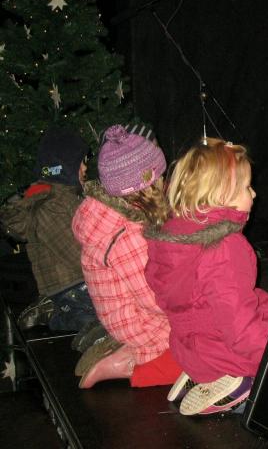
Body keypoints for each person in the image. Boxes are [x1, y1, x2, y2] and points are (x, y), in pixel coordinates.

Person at [145, 138, 268, 416]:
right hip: (222, 351)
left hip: (188, 348)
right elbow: (238, 326)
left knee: (265, 303)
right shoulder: (226, 247)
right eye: (246, 187)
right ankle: (239, 384)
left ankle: (203, 373)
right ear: (222, 196)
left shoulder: (171, 237)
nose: (254, 194)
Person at [71, 125, 182, 389]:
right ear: (148, 184)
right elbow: (155, 299)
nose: (164, 183)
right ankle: (129, 366)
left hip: (125, 315)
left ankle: (122, 349)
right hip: (143, 326)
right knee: (205, 357)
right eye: (160, 178)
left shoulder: (109, 214)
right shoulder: (128, 236)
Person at [0, 126, 97, 332]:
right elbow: (78, 257)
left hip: (81, 283)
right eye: (81, 162)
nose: (85, 168)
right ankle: (54, 314)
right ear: (65, 166)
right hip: (71, 289)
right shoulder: (49, 208)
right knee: (98, 320)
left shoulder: (66, 198)